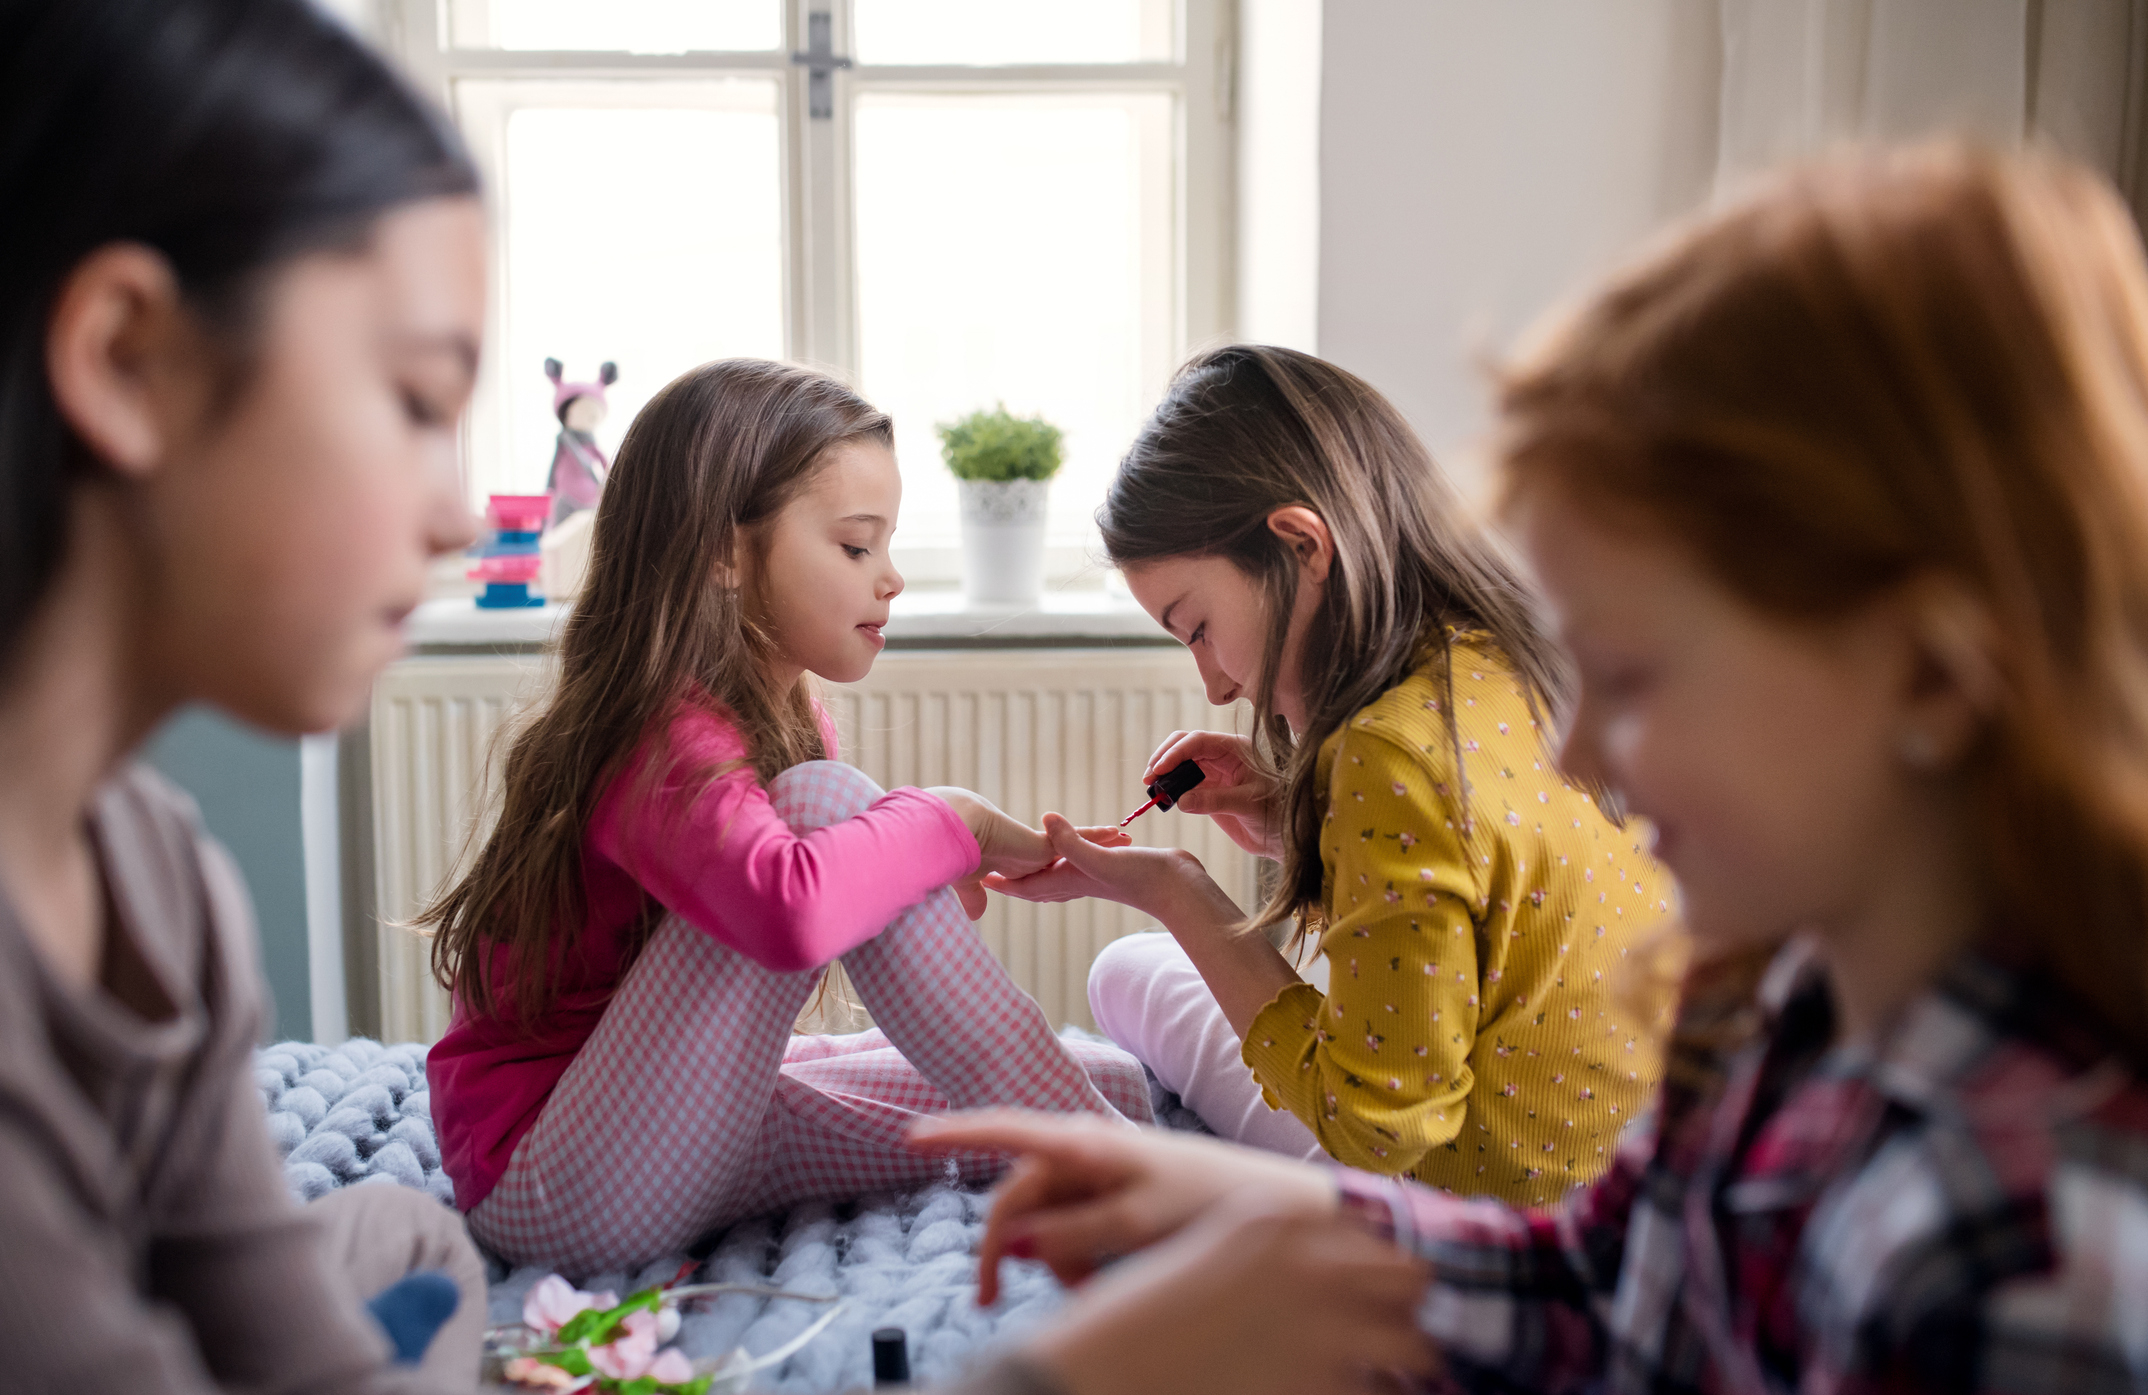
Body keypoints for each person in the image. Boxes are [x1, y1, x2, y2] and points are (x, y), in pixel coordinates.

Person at [920, 144, 2148, 1392]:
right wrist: (1271, 1220)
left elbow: (1419, 1135)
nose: (1574, 756)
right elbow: (1596, 1287)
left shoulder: (2027, 1267)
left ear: (1932, 677)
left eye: (1639, 677)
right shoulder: (1767, 1004)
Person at [0, 0, 492, 1388]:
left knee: (405, 1232)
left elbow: (285, 1343)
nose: (458, 515)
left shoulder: (158, 871)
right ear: (127, 360)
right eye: (414, 399)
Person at [420, 358, 1157, 1278]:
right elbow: (792, 909)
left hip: (685, 1128)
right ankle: (1121, 1177)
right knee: (822, 810)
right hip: (552, 1182)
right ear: (725, 554)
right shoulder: (659, 739)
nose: (890, 580)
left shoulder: (788, 719)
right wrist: (952, 822)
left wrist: (910, 888)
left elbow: (834, 913)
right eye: (856, 547)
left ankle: (1105, 1138)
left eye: (888, 546)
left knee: (1115, 1082)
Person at [993, 346, 1672, 1204]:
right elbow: (1479, 903)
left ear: (1303, 543)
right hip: (1612, 1155)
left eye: (1196, 626)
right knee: (1138, 974)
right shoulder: (1505, 659)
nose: (1215, 682)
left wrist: (1179, 893)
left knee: (1124, 971)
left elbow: (1379, 1128)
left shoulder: (1384, 754)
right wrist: (1293, 817)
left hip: (1473, 1200)